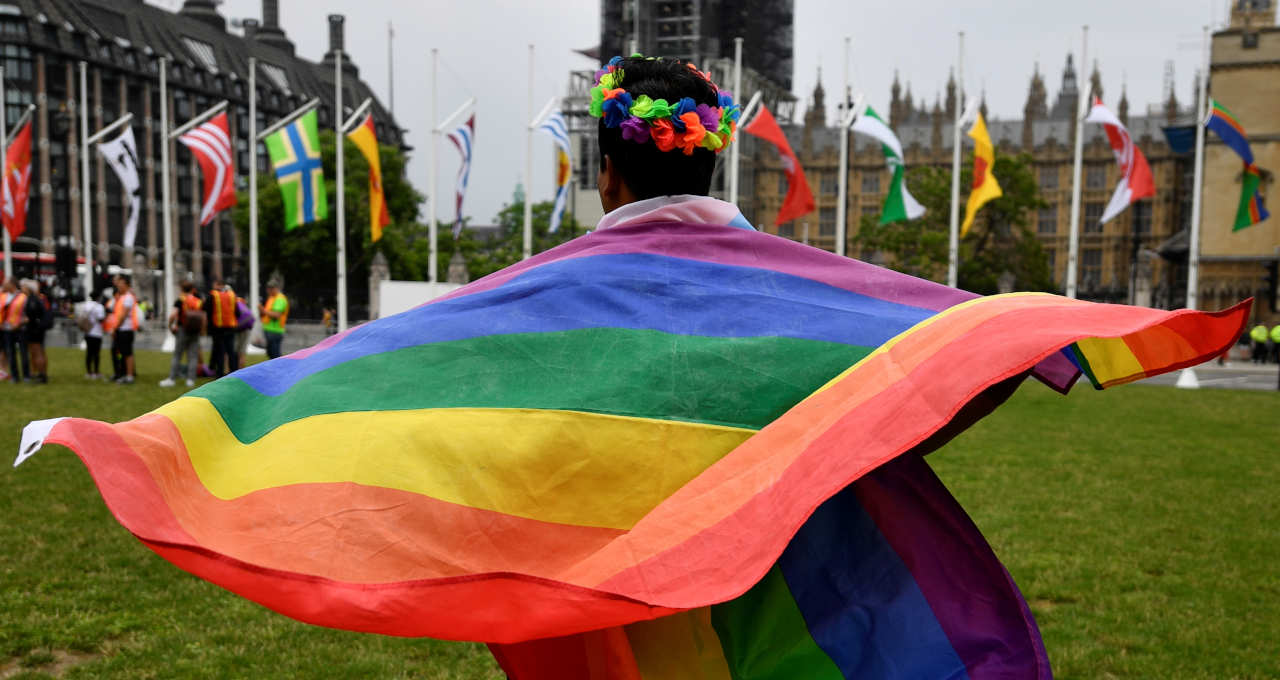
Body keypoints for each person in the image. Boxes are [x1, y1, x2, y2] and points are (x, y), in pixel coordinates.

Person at [160, 281, 204, 388]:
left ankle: (172, 379)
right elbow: (203, 317)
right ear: (192, 289)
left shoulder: (180, 300)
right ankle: (190, 380)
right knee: (193, 356)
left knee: (177, 355)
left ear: (182, 289)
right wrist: (202, 330)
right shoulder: (198, 301)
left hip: (182, 330)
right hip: (195, 331)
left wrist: (170, 326)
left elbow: (173, 316)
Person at [103, 273, 140, 384]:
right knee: (122, 353)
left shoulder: (128, 297)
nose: (118, 285)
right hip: (122, 329)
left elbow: (123, 316)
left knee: (127, 353)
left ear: (126, 285)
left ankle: (129, 375)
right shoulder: (122, 297)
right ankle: (123, 374)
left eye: (121, 283)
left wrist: (115, 328)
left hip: (125, 329)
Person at [204, 277, 239, 377]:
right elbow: (238, 312)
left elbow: (205, 309)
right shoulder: (232, 295)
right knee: (231, 352)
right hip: (231, 328)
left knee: (220, 352)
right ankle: (234, 373)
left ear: (216, 285)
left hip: (217, 329)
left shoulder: (212, 296)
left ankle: (219, 374)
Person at [1, 277, 29, 383]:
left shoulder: (23, 297)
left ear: (12, 284)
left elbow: (27, 314)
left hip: (20, 329)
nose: (3, 285)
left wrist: (19, 323)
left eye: (5, 283)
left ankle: (26, 376)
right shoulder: (3, 296)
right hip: (7, 329)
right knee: (10, 353)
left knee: (23, 352)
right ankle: (14, 376)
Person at [21, 280, 49, 383]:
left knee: (37, 352)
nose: (22, 288)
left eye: (23, 287)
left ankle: (41, 375)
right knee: (40, 352)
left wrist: (25, 320)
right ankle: (42, 374)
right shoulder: (36, 299)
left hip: (34, 330)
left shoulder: (32, 300)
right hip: (37, 329)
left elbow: (32, 316)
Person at [80, 293, 107, 379]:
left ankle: (89, 372)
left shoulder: (86, 305)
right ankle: (96, 372)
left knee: (89, 353)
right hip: (97, 333)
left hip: (88, 332)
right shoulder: (100, 307)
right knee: (96, 353)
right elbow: (101, 319)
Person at [260, 279, 289, 359]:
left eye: (270, 288)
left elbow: (276, 315)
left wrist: (263, 311)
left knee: (275, 356)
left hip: (275, 331)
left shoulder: (280, 299)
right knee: (271, 355)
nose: (268, 290)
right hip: (270, 330)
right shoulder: (272, 298)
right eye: (268, 288)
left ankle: (280, 371)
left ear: (275, 288)